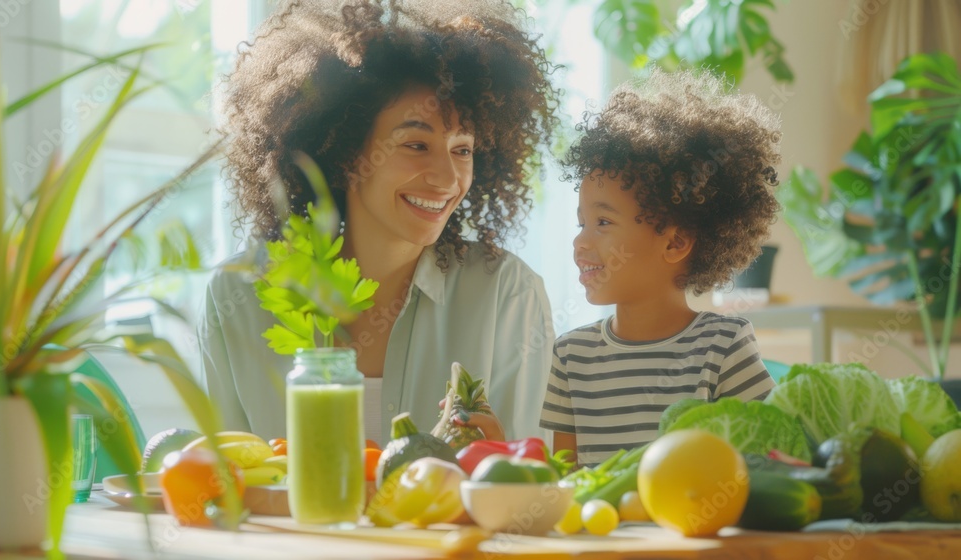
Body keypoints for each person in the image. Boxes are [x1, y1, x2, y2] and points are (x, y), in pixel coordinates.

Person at [199, 0, 559, 444]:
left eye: (462, 150)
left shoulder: (507, 294)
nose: (448, 178)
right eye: (415, 144)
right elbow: (232, 485)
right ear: (345, 152)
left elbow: (519, 483)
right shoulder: (238, 296)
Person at [540, 70, 780, 467]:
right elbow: (564, 482)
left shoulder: (724, 345)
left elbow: (769, 459)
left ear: (674, 242)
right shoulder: (571, 355)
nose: (580, 242)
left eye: (603, 223)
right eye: (581, 223)